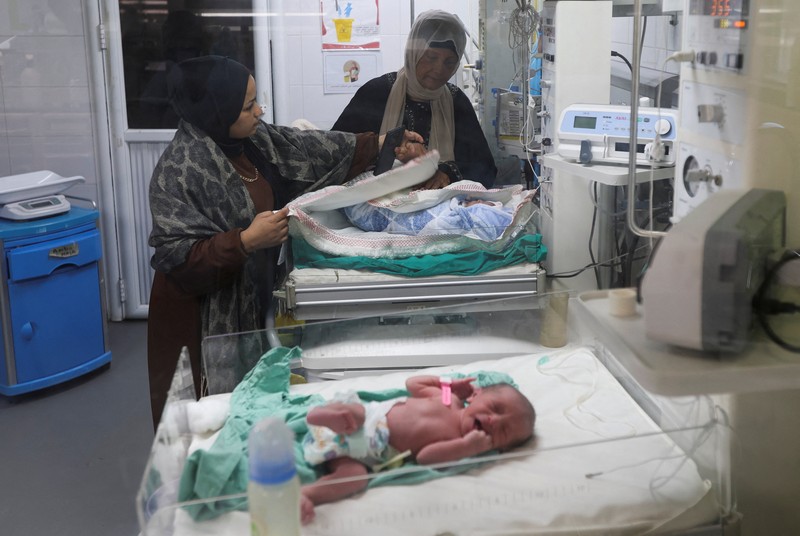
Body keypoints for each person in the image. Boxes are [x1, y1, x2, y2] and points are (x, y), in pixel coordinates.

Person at [147, 55, 422, 428]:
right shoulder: (180, 170)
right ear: (217, 110)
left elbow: (309, 148)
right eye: (248, 106)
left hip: (252, 286)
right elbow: (177, 259)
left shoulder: (251, 141)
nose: (260, 111)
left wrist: (384, 144)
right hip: (199, 320)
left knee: (256, 406)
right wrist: (243, 241)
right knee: (207, 420)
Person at [299, 375, 536, 524]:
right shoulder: (448, 398)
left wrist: (466, 448)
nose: (493, 421)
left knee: (357, 478)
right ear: (475, 395)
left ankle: (308, 494)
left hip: (366, 450)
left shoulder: (457, 441)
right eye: (494, 407)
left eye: (503, 431)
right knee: (356, 412)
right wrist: (448, 384)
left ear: (500, 449)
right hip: (369, 417)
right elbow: (413, 384)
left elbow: (425, 458)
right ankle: (323, 416)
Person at [332, 10, 497, 190]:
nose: (439, 69)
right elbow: (336, 155)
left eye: (449, 62)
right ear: (414, 54)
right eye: (431, 57)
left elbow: (485, 168)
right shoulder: (377, 93)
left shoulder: (457, 102)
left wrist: (447, 172)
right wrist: (389, 150)